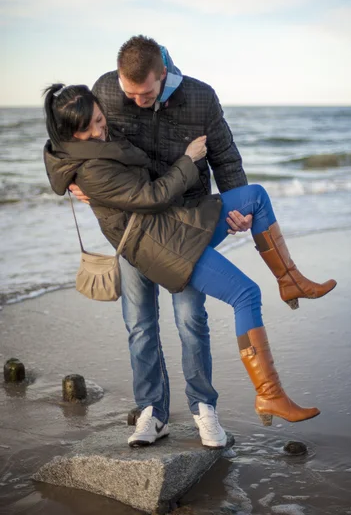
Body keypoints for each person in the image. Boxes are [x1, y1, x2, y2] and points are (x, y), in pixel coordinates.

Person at [43, 83, 337, 448]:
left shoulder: (112, 97)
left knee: (255, 198)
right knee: (231, 299)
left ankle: (289, 280)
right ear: (73, 133)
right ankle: (265, 394)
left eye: (101, 119)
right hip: (156, 242)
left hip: (175, 219)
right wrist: (189, 158)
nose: (102, 128)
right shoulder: (91, 168)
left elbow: (61, 149)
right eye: (91, 127)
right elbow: (150, 196)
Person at [69, 36, 251, 448]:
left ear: (163, 76)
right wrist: (72, 179)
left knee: (190, 320)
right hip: (132, 229)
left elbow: (225, 156)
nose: (135, 100)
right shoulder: (106, 91)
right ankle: (153, 412)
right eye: (128, 92)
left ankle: (205, 409)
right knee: (139, 325)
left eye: (145, 93)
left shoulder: (200, 97)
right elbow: (73, 138)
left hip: (184, 227)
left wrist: (239, 204)